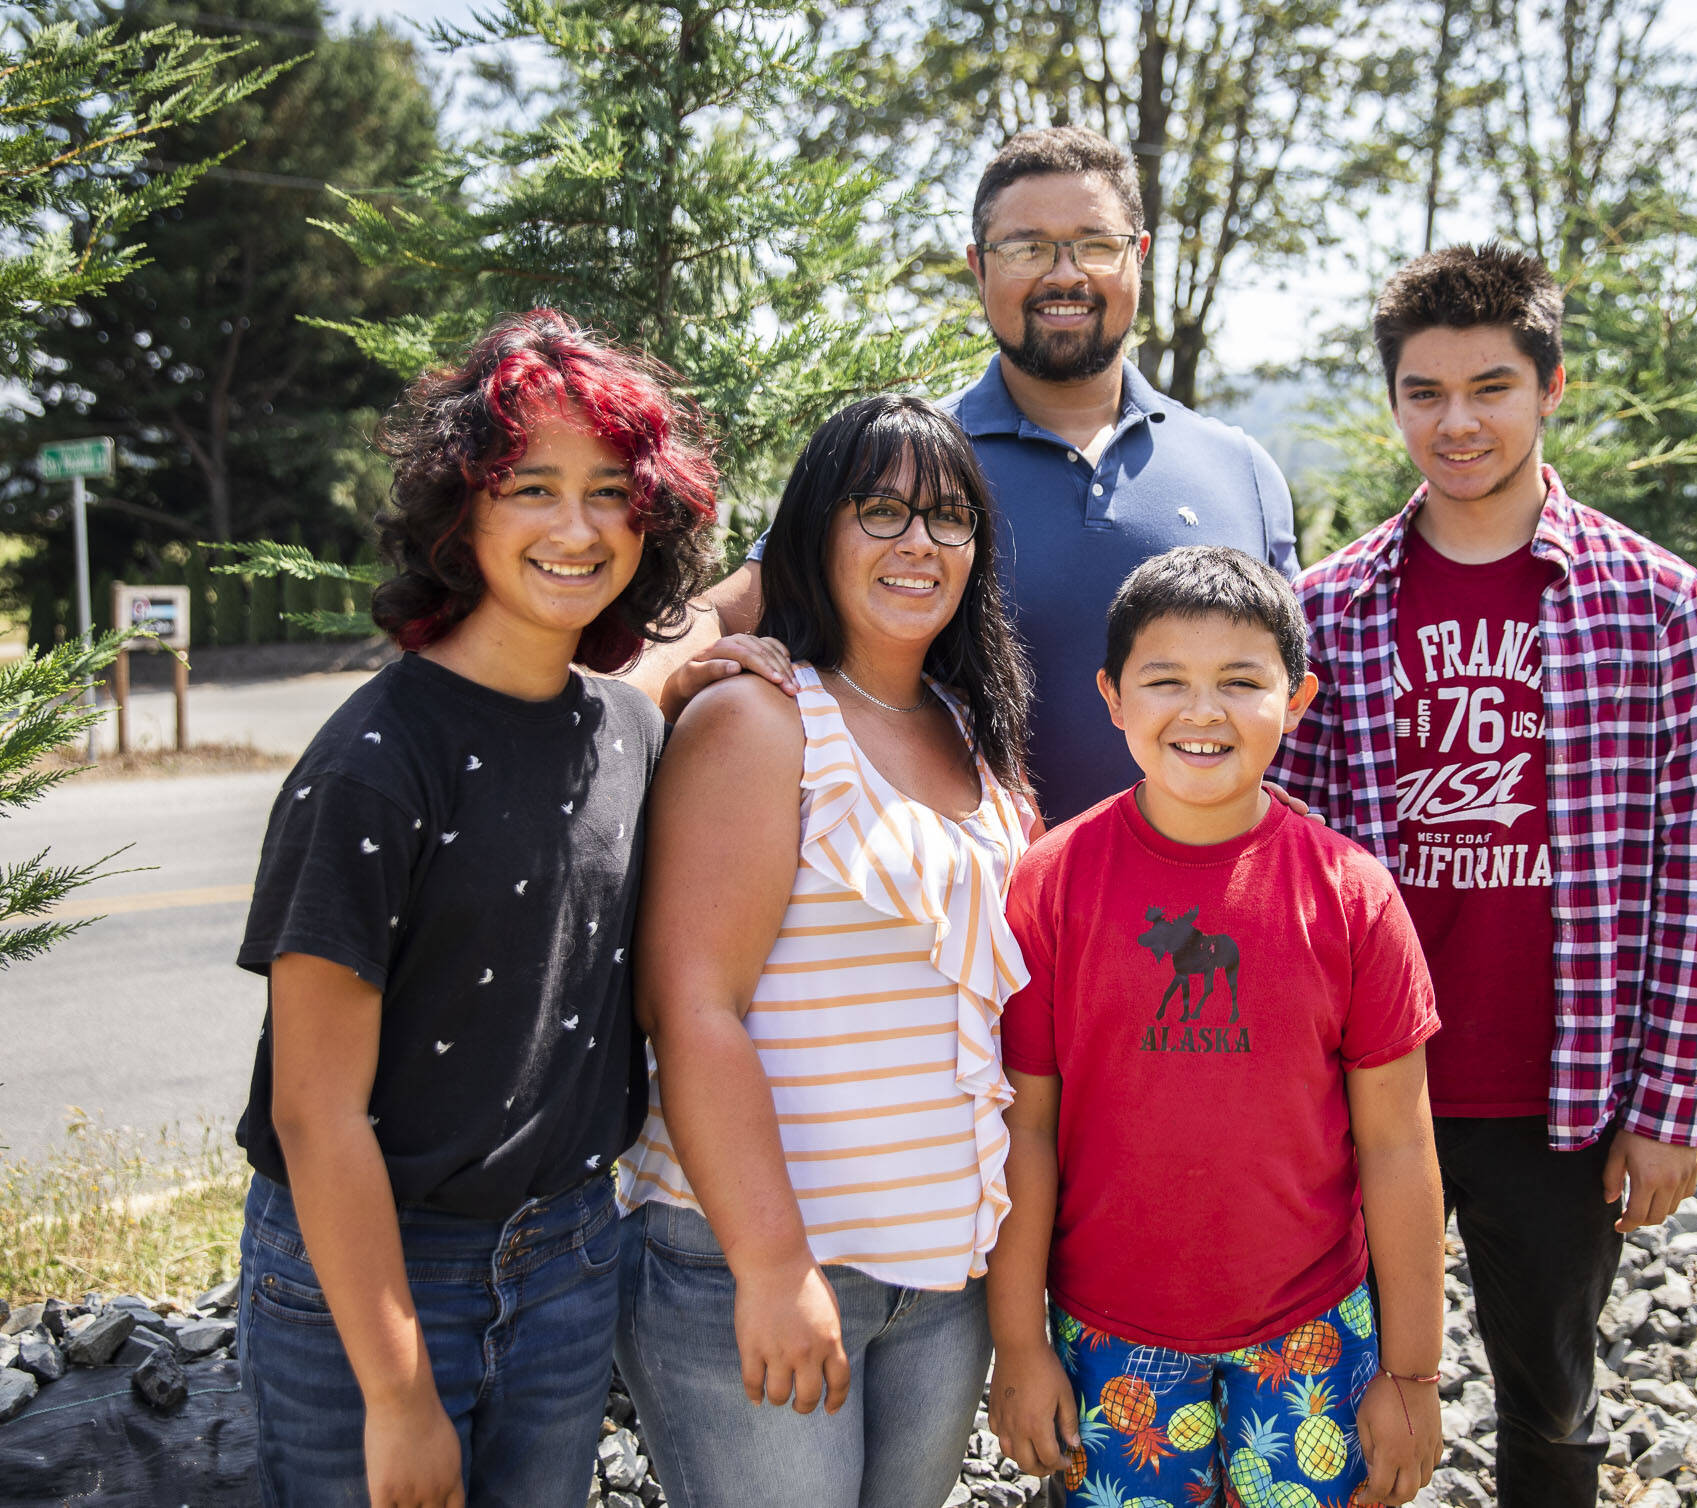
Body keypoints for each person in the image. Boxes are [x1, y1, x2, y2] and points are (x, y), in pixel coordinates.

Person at [1272, 242, 1697, 1508]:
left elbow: (1688, 865)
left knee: (1550, 1392)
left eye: (1489, 386)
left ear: (1550, 387)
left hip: (1563, 1090)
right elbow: (1291, 871)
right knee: (1341, 1388)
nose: (1456, 420)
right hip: (1368, 1089)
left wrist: (1667, 1100)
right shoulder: (1332, 608)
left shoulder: (1654, 602)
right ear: (1393, 403)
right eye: (1423, 391)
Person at [232, 309, 719, 1506]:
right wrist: (397, 1395)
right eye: (529, 487)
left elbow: (659, 662)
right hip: (373, 1271)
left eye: (610, 491)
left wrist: (730, 651)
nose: (574, 526)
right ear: (463, 510)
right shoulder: (372, 764)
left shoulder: (625, 728)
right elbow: (314, 1113)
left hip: (566, 1255)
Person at [612, 395, 1039, 1508]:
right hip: (759, 1263)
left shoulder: (973, 732)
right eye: (881, 510)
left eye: (948, 518)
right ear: (811, 532)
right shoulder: (760, 720)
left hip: (938, 1286)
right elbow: (691, 1004)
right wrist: (770, 1262)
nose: (918, 543)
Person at [627, 126, 1298, 825]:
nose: (1064, 274)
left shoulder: (1242, 470)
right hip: (972, 913)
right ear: (979, 267)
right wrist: (621, 708)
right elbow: (721, 611)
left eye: (1095, 245)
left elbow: (1292, 702)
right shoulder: (907, 462)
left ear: (1140, 257)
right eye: (1027, 247)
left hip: (1197, 927)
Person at [987, 546, 1447, 1507]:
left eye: (1241, 681)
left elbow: (1399, 1146)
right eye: (1167, 682)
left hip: (1310, 1334)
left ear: (1299, 697)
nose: (1203, 712)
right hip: (1109, 1334)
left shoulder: (1353, 896)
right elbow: (1025, 1125)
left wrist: (1412, 1376)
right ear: (1113, 697)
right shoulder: (1053, 882)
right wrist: (1020, 1343)